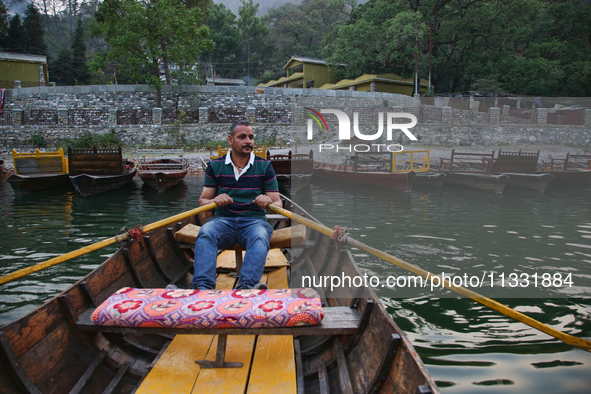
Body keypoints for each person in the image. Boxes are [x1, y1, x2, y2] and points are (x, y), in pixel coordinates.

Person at [191, 120, 283, 290]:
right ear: (230, 140)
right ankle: (202, 289)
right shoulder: (215, 166)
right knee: (205, 233)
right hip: (222, 221)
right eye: (242, 137)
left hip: (254, 221)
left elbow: (278, 203)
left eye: (251, 137)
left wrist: (268, 201)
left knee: (260, 236)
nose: (248, 141)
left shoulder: (265, 166)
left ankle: (246, 289)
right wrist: (214, 201)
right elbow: (203, 201)